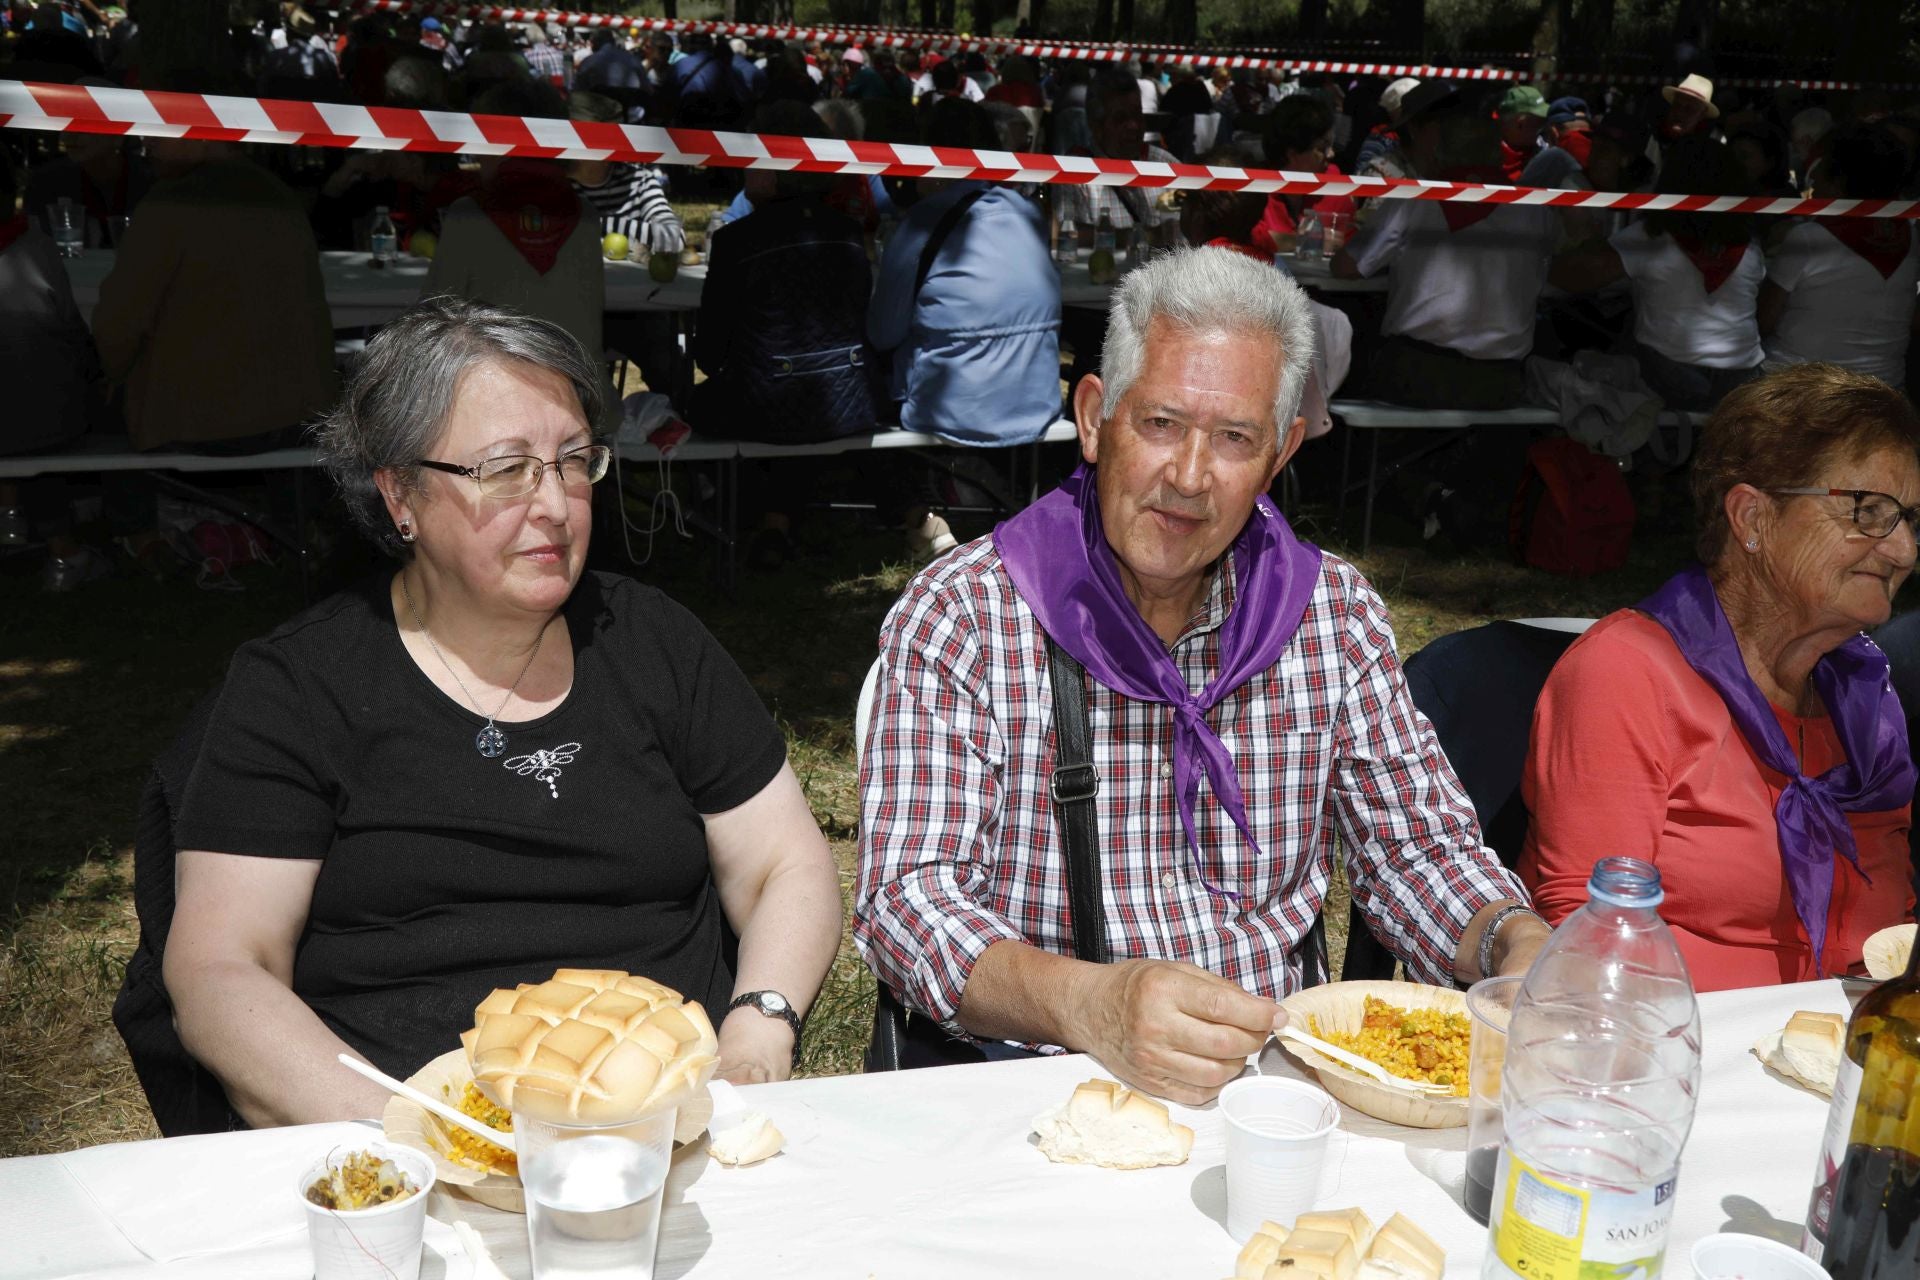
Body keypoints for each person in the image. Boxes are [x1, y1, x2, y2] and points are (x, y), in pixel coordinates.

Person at [855, 247, 1547, 1101]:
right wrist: (1089, 1005)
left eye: (1233, 439)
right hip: (1041, 1080)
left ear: (1283, 449)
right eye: (1160, 425)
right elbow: (908, 903)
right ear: (1096, 415)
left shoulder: (1327, 612)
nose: (1189, 476)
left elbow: (1415, 851)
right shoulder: (968, 614)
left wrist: (1509, 941)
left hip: (1278, 1087)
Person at [160, 297, 843, 1124]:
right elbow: (221, 972)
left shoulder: (653, 641)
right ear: (399, 494)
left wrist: (757, 1031)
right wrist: (416, 1137)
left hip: (666, 1117)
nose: (554, 504)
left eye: (571, 461)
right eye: (506, 469)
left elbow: (787, 864)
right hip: (402, 1130)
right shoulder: (299, 689)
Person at [1521, 364, 1918, 991]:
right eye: (1868, 511)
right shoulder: (1629, 672)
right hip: (1683, 1054)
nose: (1903, 551)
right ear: (1752, 518)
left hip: (1851, 1045)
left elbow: (1898, 921)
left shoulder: (1861, 697)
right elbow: (1587, 939)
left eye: (1909, 520)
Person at [1332, 105, 1559, 409]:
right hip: (1501, 382)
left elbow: (1347, 267)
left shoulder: (1416, 200)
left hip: (1416, 373)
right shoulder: (1536, 211)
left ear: (1439, 153)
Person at [868, 98, 1060, 448]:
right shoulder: (1030, 215)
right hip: (1036, 409)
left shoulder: (921, 223)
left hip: (948, 416)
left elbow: (882, 333)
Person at [687, 101, 882, 444]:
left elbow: (708, 355)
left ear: (773, 168)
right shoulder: (849, 234)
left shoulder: (736, 241)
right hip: (849, 408)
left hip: (763, 415)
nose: (743, 166)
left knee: (687, 401)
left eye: (751, 156)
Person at [425, 81, 614, 427]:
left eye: (478, 135)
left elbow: (431, 320)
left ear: (498, 140)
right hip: (581, 406)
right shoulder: (584, 214)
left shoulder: (469, 214)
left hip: (493, 414)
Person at [1549, 136, 1764, 411]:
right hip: (1743, 379)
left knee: (1620, 340)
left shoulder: (1650, 239)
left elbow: (1570, 278)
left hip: (1671, 379)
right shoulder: (1751, 246)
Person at [1761, 126, 1917, 390]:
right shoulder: (1912, 238)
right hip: (1882, 389)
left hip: (1799, 389)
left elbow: (1764, 319)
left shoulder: (1808, 238)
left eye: (1821, 168)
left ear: (1839, 180)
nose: (1814, 180)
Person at [1250, 93, 1357, 257]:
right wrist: (1307, 242)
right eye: (1322, 148)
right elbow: (1248, 240)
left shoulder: (1336, 188)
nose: (1331, 154)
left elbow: (1351, 245)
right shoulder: (1252, 190)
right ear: (1292, 154)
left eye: (1331, 145)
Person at [1494, 84, 1549, 181]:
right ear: (1520, 124)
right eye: (1539, 122)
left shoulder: (1546, 151)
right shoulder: (1482, 154)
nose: (1543, 128)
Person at [1661, 72, 1719, 142]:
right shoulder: (1651, 130)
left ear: (1702, 114)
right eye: (1677, 105)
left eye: (1689, 109)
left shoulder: (1706, 149)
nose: (1679, 113)